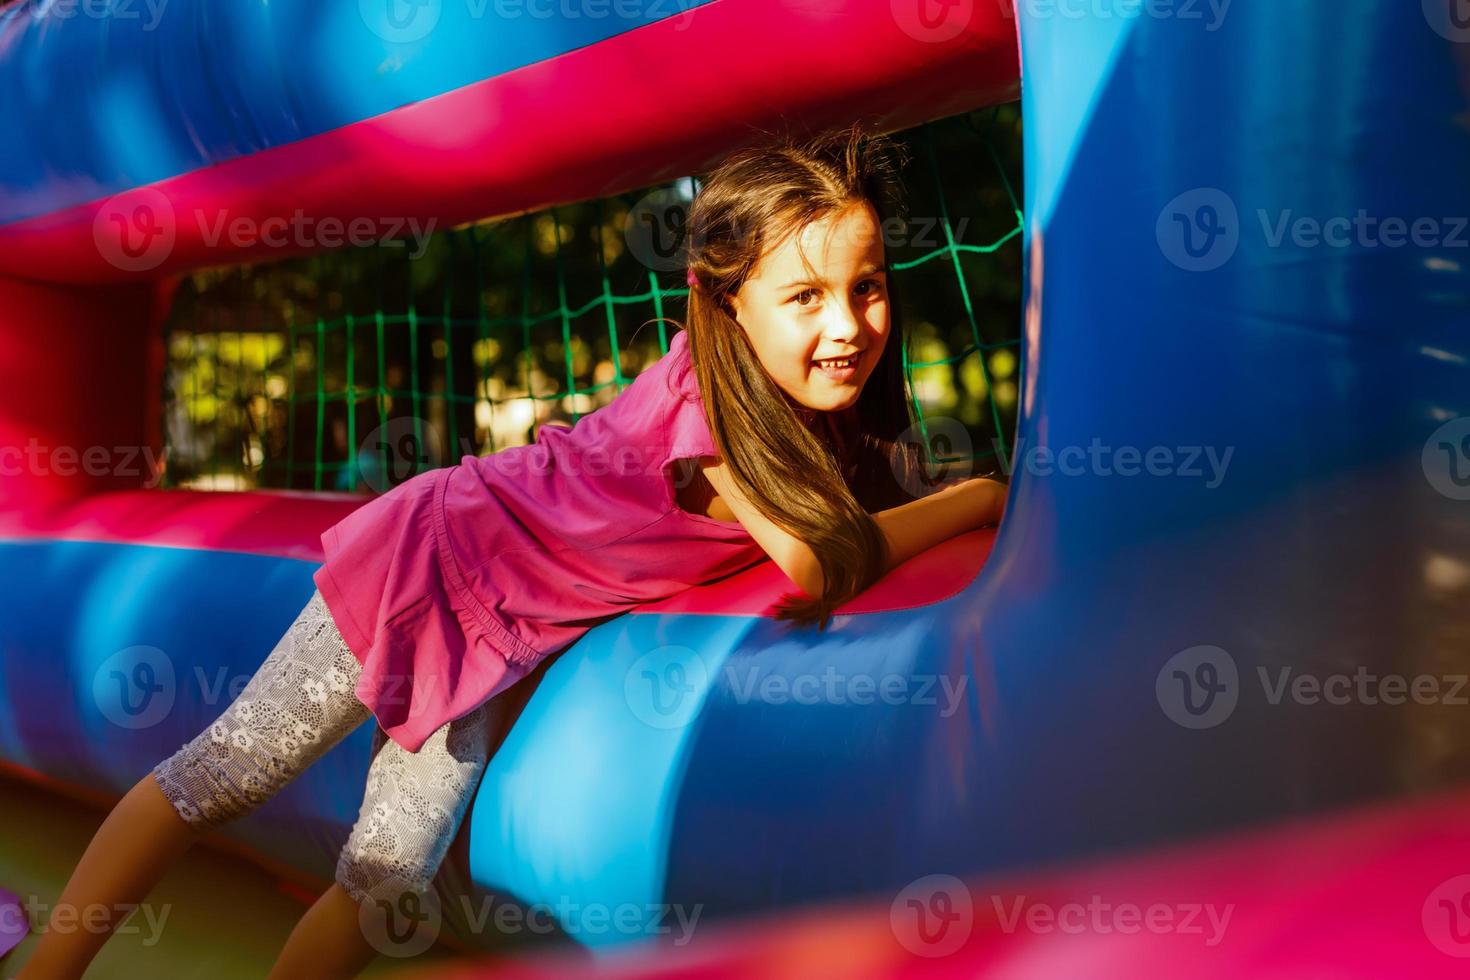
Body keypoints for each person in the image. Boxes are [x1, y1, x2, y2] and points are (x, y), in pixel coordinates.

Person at [17, 122, 1007, 979]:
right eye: (805, 297)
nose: (847, 324)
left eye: (867, 287)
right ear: (723, 300)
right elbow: (810, 561)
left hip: (500, 629)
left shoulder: (781, 403)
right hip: (433, 557)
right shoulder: (709, 419)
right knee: (221, 774)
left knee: (389, 887)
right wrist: (981, 496)